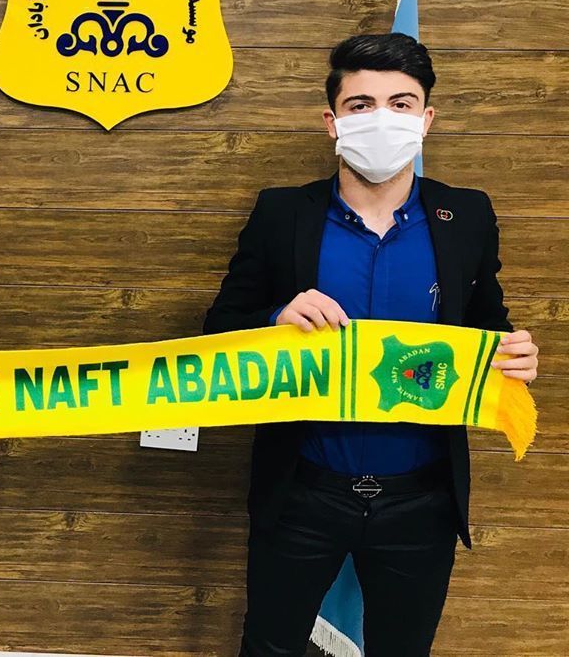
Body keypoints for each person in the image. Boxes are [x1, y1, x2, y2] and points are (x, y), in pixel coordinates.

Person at [203, 33, 539, 656]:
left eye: (400, 103)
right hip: (303, 489)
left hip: (421, 497)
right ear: (332, 122)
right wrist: (275, 316)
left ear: (426, 119)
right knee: (269, 647)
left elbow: (489, 327)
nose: (381, 118)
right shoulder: (281, 214)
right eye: (360, 104)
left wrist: (517, 355)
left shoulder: (466, 216)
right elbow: (218, 329)